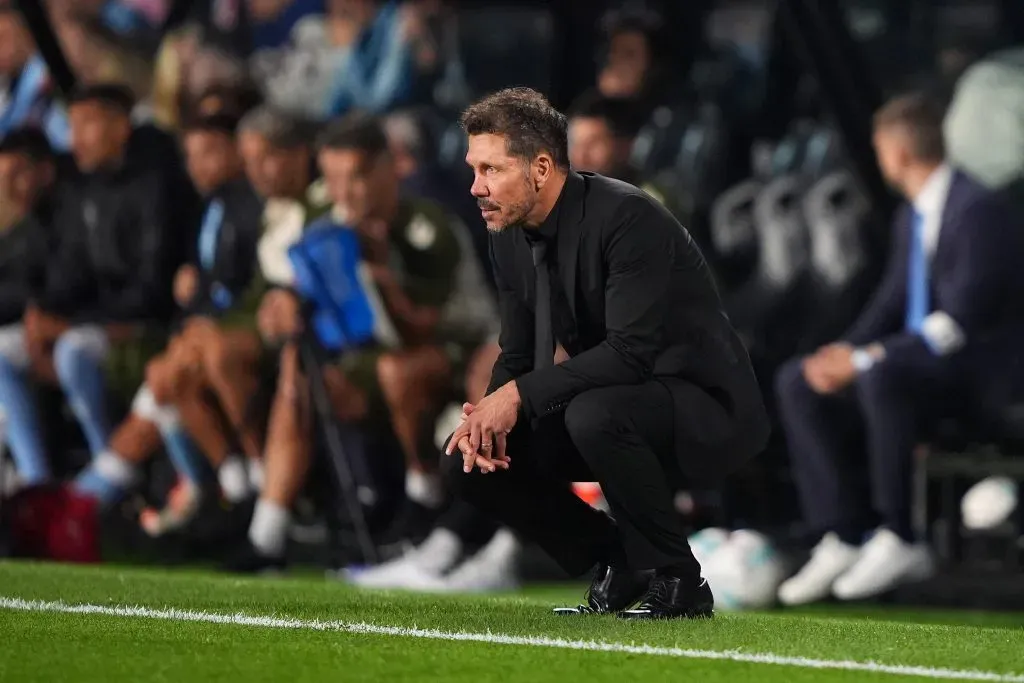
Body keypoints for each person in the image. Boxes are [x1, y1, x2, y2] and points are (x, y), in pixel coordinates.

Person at [442, 87, 769, 619]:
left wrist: (517, 397)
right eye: (473, 169)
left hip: (707, 409)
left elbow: (629, 354)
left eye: (491, 170)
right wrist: (487, 415)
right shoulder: (506, 231)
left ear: (542, 168)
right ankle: (619, 559)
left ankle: (680, 582)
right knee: (468, 461)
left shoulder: (627, 219)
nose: (476, 187)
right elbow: (519, 353)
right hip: (613, 404)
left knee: (595, 413)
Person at [774, 93, 1024, 606]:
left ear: (898, 150)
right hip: (915, 366)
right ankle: (840, 534)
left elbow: (959, 323)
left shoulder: (979, 210)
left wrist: (865, 360)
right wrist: (841, 353)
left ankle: (900, 535)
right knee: (798, 380)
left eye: (879, 147)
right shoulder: (911, 217)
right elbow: (889, 305)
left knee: (878, 376)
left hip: (975, 376)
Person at [228, 112, 496, 571]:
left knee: (398, 369)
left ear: (387, 170)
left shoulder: (424, 226)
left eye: (353, 179)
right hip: (370, 358)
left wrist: (382, 277)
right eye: (330, 179)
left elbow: (422, 329)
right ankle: (267, 533)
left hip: (456, 353)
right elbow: (296, 286)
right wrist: (284, 305)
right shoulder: (325, 223)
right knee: (298, 360)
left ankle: (423, 497)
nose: (341, 194)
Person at [0, 84, 187, 488]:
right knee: (4, 352)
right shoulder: (88, 191)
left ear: (121, 127)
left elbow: (152, 290)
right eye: (71, 126)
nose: (74, 139)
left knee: (73, 351)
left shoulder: (155, 186)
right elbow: (72, 273)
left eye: (86, 125)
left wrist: (69, 325)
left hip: (145, 328)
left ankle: (111, 476)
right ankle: (37, 482)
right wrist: (42, 313)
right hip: (95, 321)